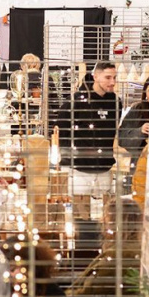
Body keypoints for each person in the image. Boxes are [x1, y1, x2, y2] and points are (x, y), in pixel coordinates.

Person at [57, 62, 121, 216]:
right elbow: (61, 132)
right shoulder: (75, 102)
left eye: (114, 77)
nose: (112, 82)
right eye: (107, 77)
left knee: (104, 219)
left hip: (104, 170)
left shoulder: (115, 102)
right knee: (79, 219)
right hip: (79, 172)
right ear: (95, 76)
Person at [68, 198, 143, 297]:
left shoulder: (119, 255)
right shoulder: (131, 248)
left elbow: (89, 292)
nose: (102, 222)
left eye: (106, 219)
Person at [118, 78, 149, 160]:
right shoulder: (137, 109)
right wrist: (140, 131)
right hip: (139, 165)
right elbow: (122, 139)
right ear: (145, 93)